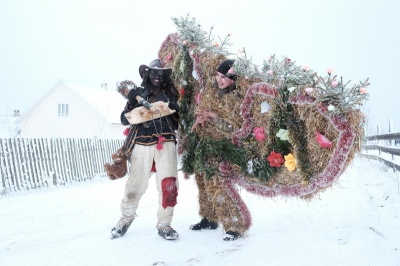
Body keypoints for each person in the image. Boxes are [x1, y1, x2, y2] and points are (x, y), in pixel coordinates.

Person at [111, 59, 181, 240]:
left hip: (166, 143)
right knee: (135, 184)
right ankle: (125, 219)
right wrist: (132, 102)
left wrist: (175, 109)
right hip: (141, 144)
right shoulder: (138, 94)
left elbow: (177, 124)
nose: (157, 76)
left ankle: (165, 225)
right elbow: (125, 120)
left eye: (160, 73)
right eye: (153, 72)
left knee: (169, 185)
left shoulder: (169, 95)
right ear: (147, 74)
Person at [190, 59, 249, 241]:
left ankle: (235, 225)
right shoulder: (213, 93)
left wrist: (213, 117)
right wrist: (199, 119)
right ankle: (209, 218)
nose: (219, 79)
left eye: (223, 76)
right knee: (202, 183)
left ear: (232, 78)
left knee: (219, 186)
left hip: (221, 147)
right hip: (204, 144)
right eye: (217, 75)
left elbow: (236, 127)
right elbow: (203, 111)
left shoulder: (236, 98)